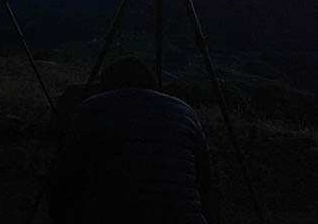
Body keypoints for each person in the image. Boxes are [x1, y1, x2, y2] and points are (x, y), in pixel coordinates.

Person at [48, 56, 212, 224]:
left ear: (106, 86)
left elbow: (65, 178)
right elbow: (206, 180)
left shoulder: (92, 109)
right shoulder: (186, 113)